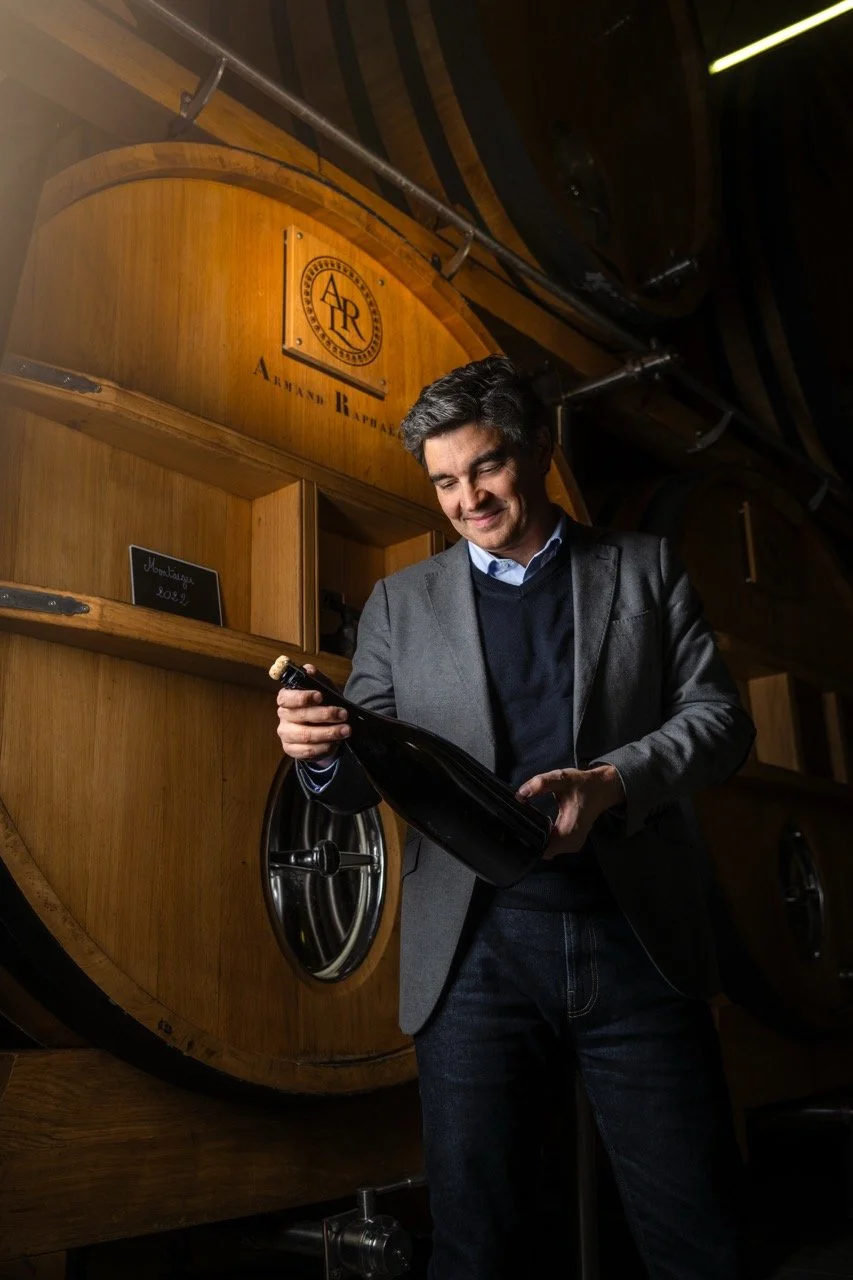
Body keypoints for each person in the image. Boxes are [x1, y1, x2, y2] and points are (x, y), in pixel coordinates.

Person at [276, 356, 756, 1280]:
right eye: (444, 481)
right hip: (475, 954)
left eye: (484, 468)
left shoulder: (643, 568)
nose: (466, 499)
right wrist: (321, 751)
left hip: (632, 936)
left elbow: (720, 723)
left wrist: (612, 780)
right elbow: (358, 782)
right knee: (480, 1247)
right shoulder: (399, 603)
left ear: (536, 450)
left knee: (696, 1234)